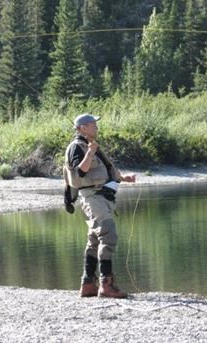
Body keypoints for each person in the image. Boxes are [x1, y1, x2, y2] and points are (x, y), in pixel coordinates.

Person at [63, 113, 136, 298]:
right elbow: (80, 171)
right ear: (82, 127)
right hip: (92, 198)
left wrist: (123, 178)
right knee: (108, 234)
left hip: (100, 198)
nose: (96, 127)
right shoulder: (76, 147)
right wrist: (90, 151)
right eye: (92, 124)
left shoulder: (90, 145)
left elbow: (104, 169)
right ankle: (106, 284)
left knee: (94, 240)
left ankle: (88, 284)